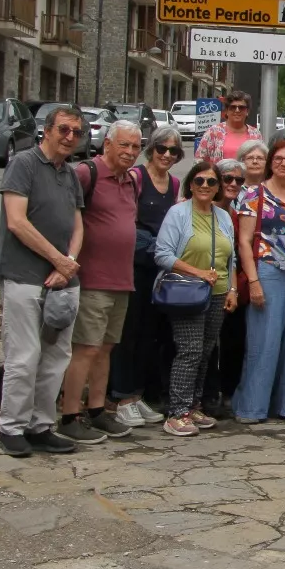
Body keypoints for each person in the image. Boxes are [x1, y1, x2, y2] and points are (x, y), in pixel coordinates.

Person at [0, 104, 86, 456]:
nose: (69, 137)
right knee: (24, 355)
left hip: (62, 282)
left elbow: (78, 226)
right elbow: (17, 222)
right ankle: (11, 427)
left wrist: (69, 263)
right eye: (63, 129)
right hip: (24, 277)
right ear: (47, 130)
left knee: (56, 356)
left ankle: (41, 424)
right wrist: (58, 260)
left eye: (76, 132)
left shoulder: (70, 174)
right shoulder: (24, 164)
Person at [57, 120, 143, 445]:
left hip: (122, 280)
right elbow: (66, 220)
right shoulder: (87, 174)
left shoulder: (132, 182)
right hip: (92, 279)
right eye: (124, 145)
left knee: (106, 348)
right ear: (107, 143)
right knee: (86, 349)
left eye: (135, 147)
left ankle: (97, 410)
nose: (130, 152)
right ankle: (69, 414)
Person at [234, 138, 285, 423]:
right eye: (278, 159)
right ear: (271, 162)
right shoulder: (253, 195)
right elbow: (244, 242)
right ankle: (252, 408)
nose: (283, 164)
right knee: (264, 341)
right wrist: (254, 281)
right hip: (269, 270)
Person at [154, 161, 237, 437]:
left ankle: (193, 405)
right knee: (189, 350)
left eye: (211, 182)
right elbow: (162, 254)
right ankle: (176, 412)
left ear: (218, 188)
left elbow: (231, 258)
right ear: (190, 184)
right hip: (186, 291)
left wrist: (233, 290)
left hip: (218, 292)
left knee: (206, 351)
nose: (205, 186)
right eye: (199, 181)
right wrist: (198, 272)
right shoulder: (178, 213)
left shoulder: (223, 217)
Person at [109, 127, 183, 429]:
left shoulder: (175, 182)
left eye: (173, 151)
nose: (166, 155)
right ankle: (121, 396)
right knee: (129, 332)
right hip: (135, 264)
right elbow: (127, 220)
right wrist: (157, 248)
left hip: (160, 270)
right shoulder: (137, 178)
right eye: (161, 149)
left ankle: (136, 394)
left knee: (150, 334)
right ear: (150, 149)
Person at [204, 158, 249, 417]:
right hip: (203, 286)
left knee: (233, 342)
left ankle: (227, 393)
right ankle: (207, 395)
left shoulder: (236, 214)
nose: (233, 184)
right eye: (227, 179)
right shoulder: (203, 208)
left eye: (238, 180)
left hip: (232, 287)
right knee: (205, 345)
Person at [194, 89, 262, 163]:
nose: (237, 110)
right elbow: (199, 160)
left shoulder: (255, 134)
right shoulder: (213, 132)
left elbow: (261, 160)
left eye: (241, 107)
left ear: (247, 111)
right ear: (226, 111)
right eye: (233, 107)